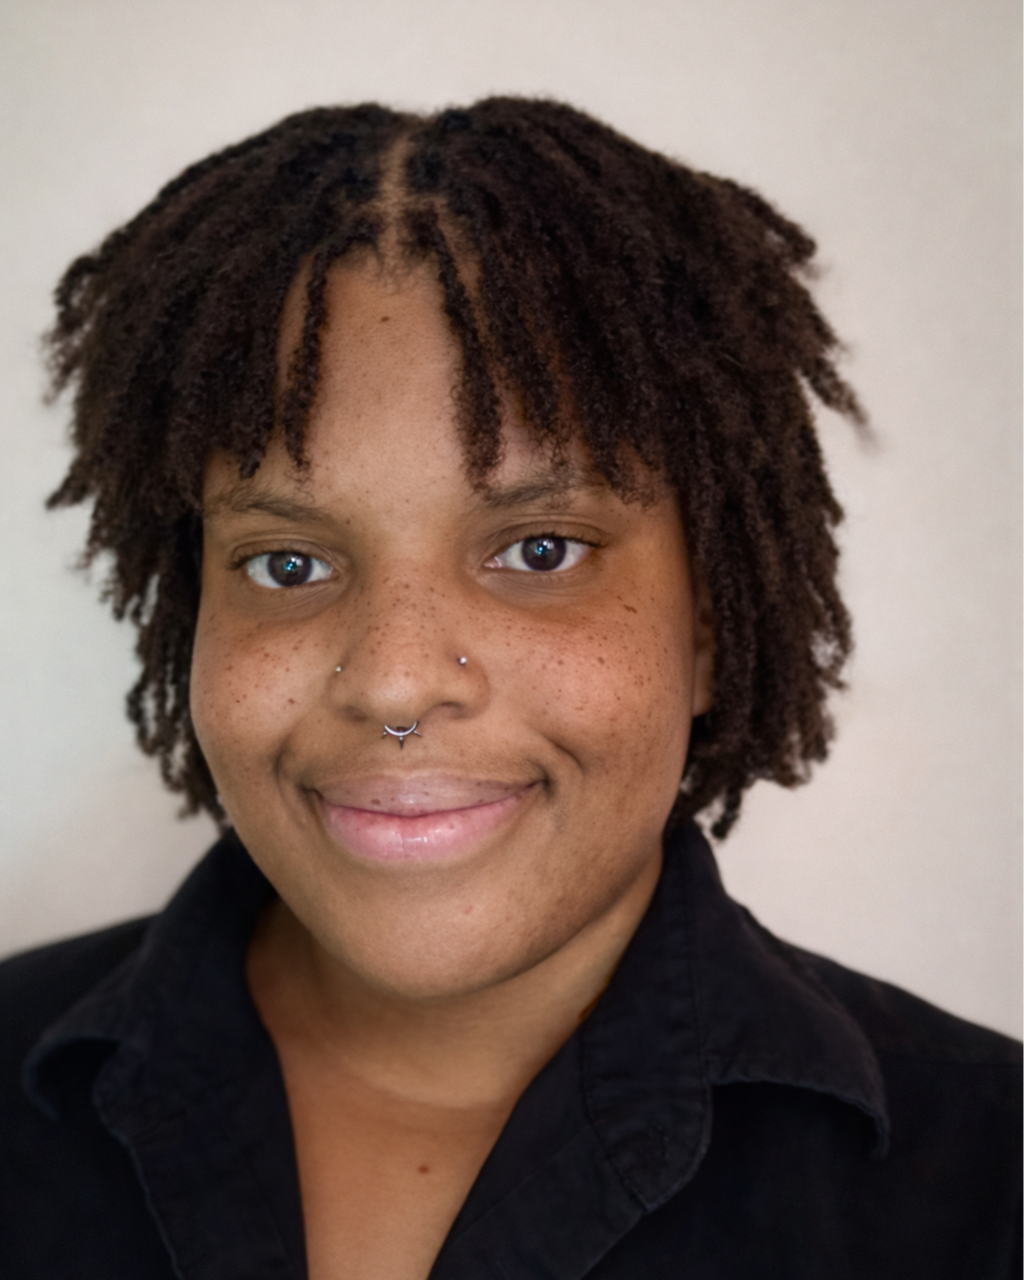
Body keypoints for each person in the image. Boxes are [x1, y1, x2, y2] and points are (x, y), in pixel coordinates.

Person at [0, 97, 1019, 1279]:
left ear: (712, 623)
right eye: (289, 563)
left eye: (540, 549)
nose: (392, 678)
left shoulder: (988, 1184)